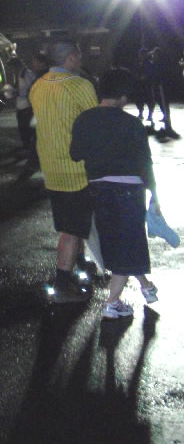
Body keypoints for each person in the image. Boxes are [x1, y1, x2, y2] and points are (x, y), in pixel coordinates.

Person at [70, 68, 159, 319]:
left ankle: (146, 286)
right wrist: (155, 195)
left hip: (98, 188)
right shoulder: (132, 123)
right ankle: (112, 303)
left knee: (117, 243)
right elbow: (145, 163)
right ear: (122, 95)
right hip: (130, 189)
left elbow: (75, 154)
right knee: (129, 243)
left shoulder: (84, 119)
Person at [29, 40, 98, 302]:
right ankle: (62, 284)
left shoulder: (38, 86)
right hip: (77, 169)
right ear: (70, 58)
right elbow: (95, 124)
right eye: (78, 57)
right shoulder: (80, 85)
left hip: (51, 167)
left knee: (71, 224)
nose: (80, 61)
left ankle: (80, 264)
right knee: (72, 229)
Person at [15, 53, 47, 155]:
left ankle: (31, 150)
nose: (33, 64)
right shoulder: (26, 73)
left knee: (28, 128)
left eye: (35, 62)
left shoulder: (28, 73)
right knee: (25, 128)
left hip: (27, 105)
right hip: (25, 104)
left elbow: (30, 89)